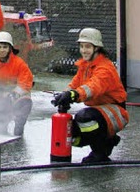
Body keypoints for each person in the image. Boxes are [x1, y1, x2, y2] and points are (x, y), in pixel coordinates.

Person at [52, 28, 127, 163]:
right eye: (81, 46)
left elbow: (93, 87)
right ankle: (108, 140)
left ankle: (99, 153)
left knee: (85, 118)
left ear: (97, 48)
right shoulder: (85, 65)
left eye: (87, 47)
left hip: (115, 112)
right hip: (100, 112)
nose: (83, 50)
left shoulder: (105, 68)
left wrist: (74, 95)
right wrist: (65, 94)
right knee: (71, 132)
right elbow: (76, 83)